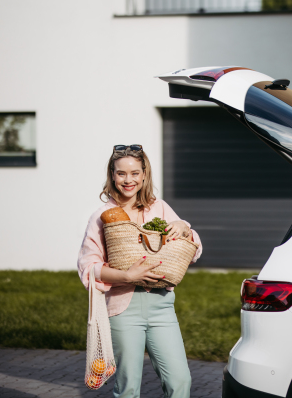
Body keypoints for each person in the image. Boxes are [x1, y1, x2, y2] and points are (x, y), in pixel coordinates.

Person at [77, 144, 202, 398]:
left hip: (161, 306)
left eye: (134, 173)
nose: (128, 180)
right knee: (128, 388)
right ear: (112, 175)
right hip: (124, 308)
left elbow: (194, 249)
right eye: (121, 173)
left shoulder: (159, 208)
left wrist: (183, 227)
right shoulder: (101, 215)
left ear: (144, 174)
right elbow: (88, 267)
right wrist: (126, 276)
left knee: (180, 381)